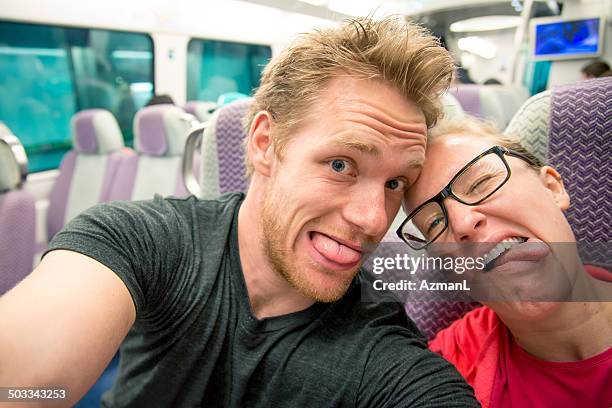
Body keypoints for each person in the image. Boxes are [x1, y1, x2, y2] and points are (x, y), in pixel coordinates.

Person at [0, 17, 478, 407]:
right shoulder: (146, 239)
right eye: (341, 165)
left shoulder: (381, 350)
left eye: (396, 183)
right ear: (265, 144)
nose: (374, 220)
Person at [398, 118, 612, 408]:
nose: (462, 223)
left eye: (480, 183)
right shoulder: (444, 367)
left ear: (552, 187)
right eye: (435, 222)